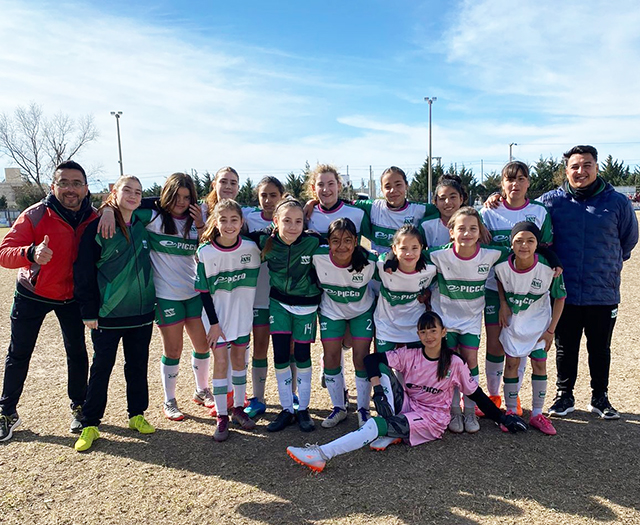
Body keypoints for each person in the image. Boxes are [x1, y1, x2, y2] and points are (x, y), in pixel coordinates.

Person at [286, 311, 528, 473]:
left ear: (443, 332)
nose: (428, 336)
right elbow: (372, 359)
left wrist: (503, 418)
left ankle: (321, 454)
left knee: (374, 426)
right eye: (423, 332)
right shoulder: (410, 355)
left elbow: (477, 396)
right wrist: (378, 390)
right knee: (382, 367)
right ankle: (392, 426)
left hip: (432, 420)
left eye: (433, 331)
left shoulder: (454, 363)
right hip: (409, 406)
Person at [98, 172, 211, 421]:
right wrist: (107, 208)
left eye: (186, 197)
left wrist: (201, 224)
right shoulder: (152, 216)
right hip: (165, 296)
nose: (181, 202)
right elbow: (124, 207)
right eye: (176, 196)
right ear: (166, 195)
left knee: (203, 346)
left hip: (194, 294)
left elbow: (208, 247)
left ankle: (202, 390)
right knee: (173, 350)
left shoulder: (196, 219)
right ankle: (169, 400)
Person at [0, 160, 96, 442]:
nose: (70, 189)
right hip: (33, 293)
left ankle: (79, 406)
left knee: (77, 352)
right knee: (19, 353)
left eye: (76, 183)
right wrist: (30, 253)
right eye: (63, 183)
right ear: (53, 186)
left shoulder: (94, 216)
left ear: (86, 188)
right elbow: (4, 252)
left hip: (72, 296)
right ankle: (6, 411)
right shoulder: (35, 214)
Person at [540, 145, 638, 419]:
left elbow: (629, 239)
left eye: (587, 165)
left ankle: (600, 397)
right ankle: (564, 395)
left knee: (600, 347)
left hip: (602, 290)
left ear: (596, 167)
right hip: (564, 291)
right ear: (567, 170)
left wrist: (611, 261)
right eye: (575, 166)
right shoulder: (551, 201)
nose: (580, 171)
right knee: (565, 346)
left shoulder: (617, 202)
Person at [73, 176, 156, 452]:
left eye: (138, 192)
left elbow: (164, 201)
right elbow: (83, 270)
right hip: (108, 315)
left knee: (137, 366)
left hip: (142, 314)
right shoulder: (99, 226)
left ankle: (136, 415)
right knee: (101, 369)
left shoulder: (143, 222)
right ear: (114, 192)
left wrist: (109, 205)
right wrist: (88, 311)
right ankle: (90, 423)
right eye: (127, 191)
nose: (133, 196)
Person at [480, 162, 553, 416]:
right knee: (495, 345)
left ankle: (515, 398)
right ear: (502, 184)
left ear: (528, 183)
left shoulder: (539, 211)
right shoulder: (489, 211)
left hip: (524, 292)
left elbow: (544, 248)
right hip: (493, 286)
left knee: (520, 342)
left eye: (521, 179)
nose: (515, 184)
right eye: (510, 179)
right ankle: (494, 396)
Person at [428, 207, 507, 434]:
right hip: (444, 319)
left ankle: (470, 409)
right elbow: (408, 254)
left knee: (470, 360)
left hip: (471, 319)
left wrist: (551, 258)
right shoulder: (438, 254)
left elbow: (521, 252)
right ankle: (453, 410)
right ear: (451, 231)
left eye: (473, 228)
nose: (467, 233)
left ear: (480, 231)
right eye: (461, 228)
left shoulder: (491, 253)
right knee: (450, 362)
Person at [248, 196, 323, 433]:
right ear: (276, 221)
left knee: (302, 355)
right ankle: (287, 409)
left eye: (298, 221)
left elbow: (343, 243)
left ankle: (304, 410)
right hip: (278, 304)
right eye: (287, 221)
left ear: (304, 223)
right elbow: (235, 239)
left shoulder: (312, 241)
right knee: (280, 355)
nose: (293, 226)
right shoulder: (264, 240)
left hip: (307, 306)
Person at [196, 199, 261, 441]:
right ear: (215, 222)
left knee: (239, 363)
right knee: (221, 363)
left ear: (241, 222)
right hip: (216, 320)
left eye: (234, 220)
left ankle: (239, 410)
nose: (229, 225)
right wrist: (213, 324)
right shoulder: (205, 252)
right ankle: (222, 415)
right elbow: (203, 292)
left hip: (241, 316)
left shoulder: (252, 248)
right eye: (223, 220)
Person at [495, 222, 566, 435]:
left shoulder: (549, 269)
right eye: (518, 240)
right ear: (511, 243)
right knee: (511, 365)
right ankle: (510, 412)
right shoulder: (502, 265)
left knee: (539, 365)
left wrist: (550, 330)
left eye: (530, 240)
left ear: (537, 244)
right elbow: (499, 279)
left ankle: (537, 414)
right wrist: (503, 304)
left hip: (539, 325)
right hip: (514, 323)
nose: (524, 245)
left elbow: (560, 298)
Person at [312, 218, 377, 428]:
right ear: (327, 242)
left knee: (361, 358)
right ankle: (339, 408)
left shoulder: (369, 261)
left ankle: (363, 410)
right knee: (331, 356)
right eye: (335, 241)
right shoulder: (318, 257)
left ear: (356, 241)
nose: (342, 246)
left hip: (361, 312)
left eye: (348, 240)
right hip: (332, 312)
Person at [243, 176, 285, 419]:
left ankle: (291, 396)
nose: (268, 200)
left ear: (281, 196)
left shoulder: (292, 215)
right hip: (258, 294)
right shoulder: (249, 217)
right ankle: (258, 398)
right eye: (264, 195)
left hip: (284, 295)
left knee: (287, 348)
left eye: (273, 195)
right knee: (260, 347)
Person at [374, 225, 436, 353]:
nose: (409, 253)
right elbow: (380, 257)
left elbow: (432, 288)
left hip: (414, 328)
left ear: (421, 248)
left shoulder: (430, 270)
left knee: (414, 371)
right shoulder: (383, 267)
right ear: (394, 249)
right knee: (383, 369)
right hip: (386, 326)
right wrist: (389, 258)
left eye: (415, 248)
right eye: (403, 248)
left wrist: (426, 294)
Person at [353, 166, 435, 254]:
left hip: (408, 265)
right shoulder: (374, 207)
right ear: (382, 189)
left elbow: (445, 210)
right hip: (380, 265)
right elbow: (347, 204)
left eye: (398, 185)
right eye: (387, 187)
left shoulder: (420, 209)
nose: (393, 190)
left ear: (406, 185)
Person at [419, 174, 468, 248]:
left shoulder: (473, 222)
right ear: (435, 202)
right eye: (442, 198)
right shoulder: (426, 226)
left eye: (453, 197)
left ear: (461, 199)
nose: (447, 202)